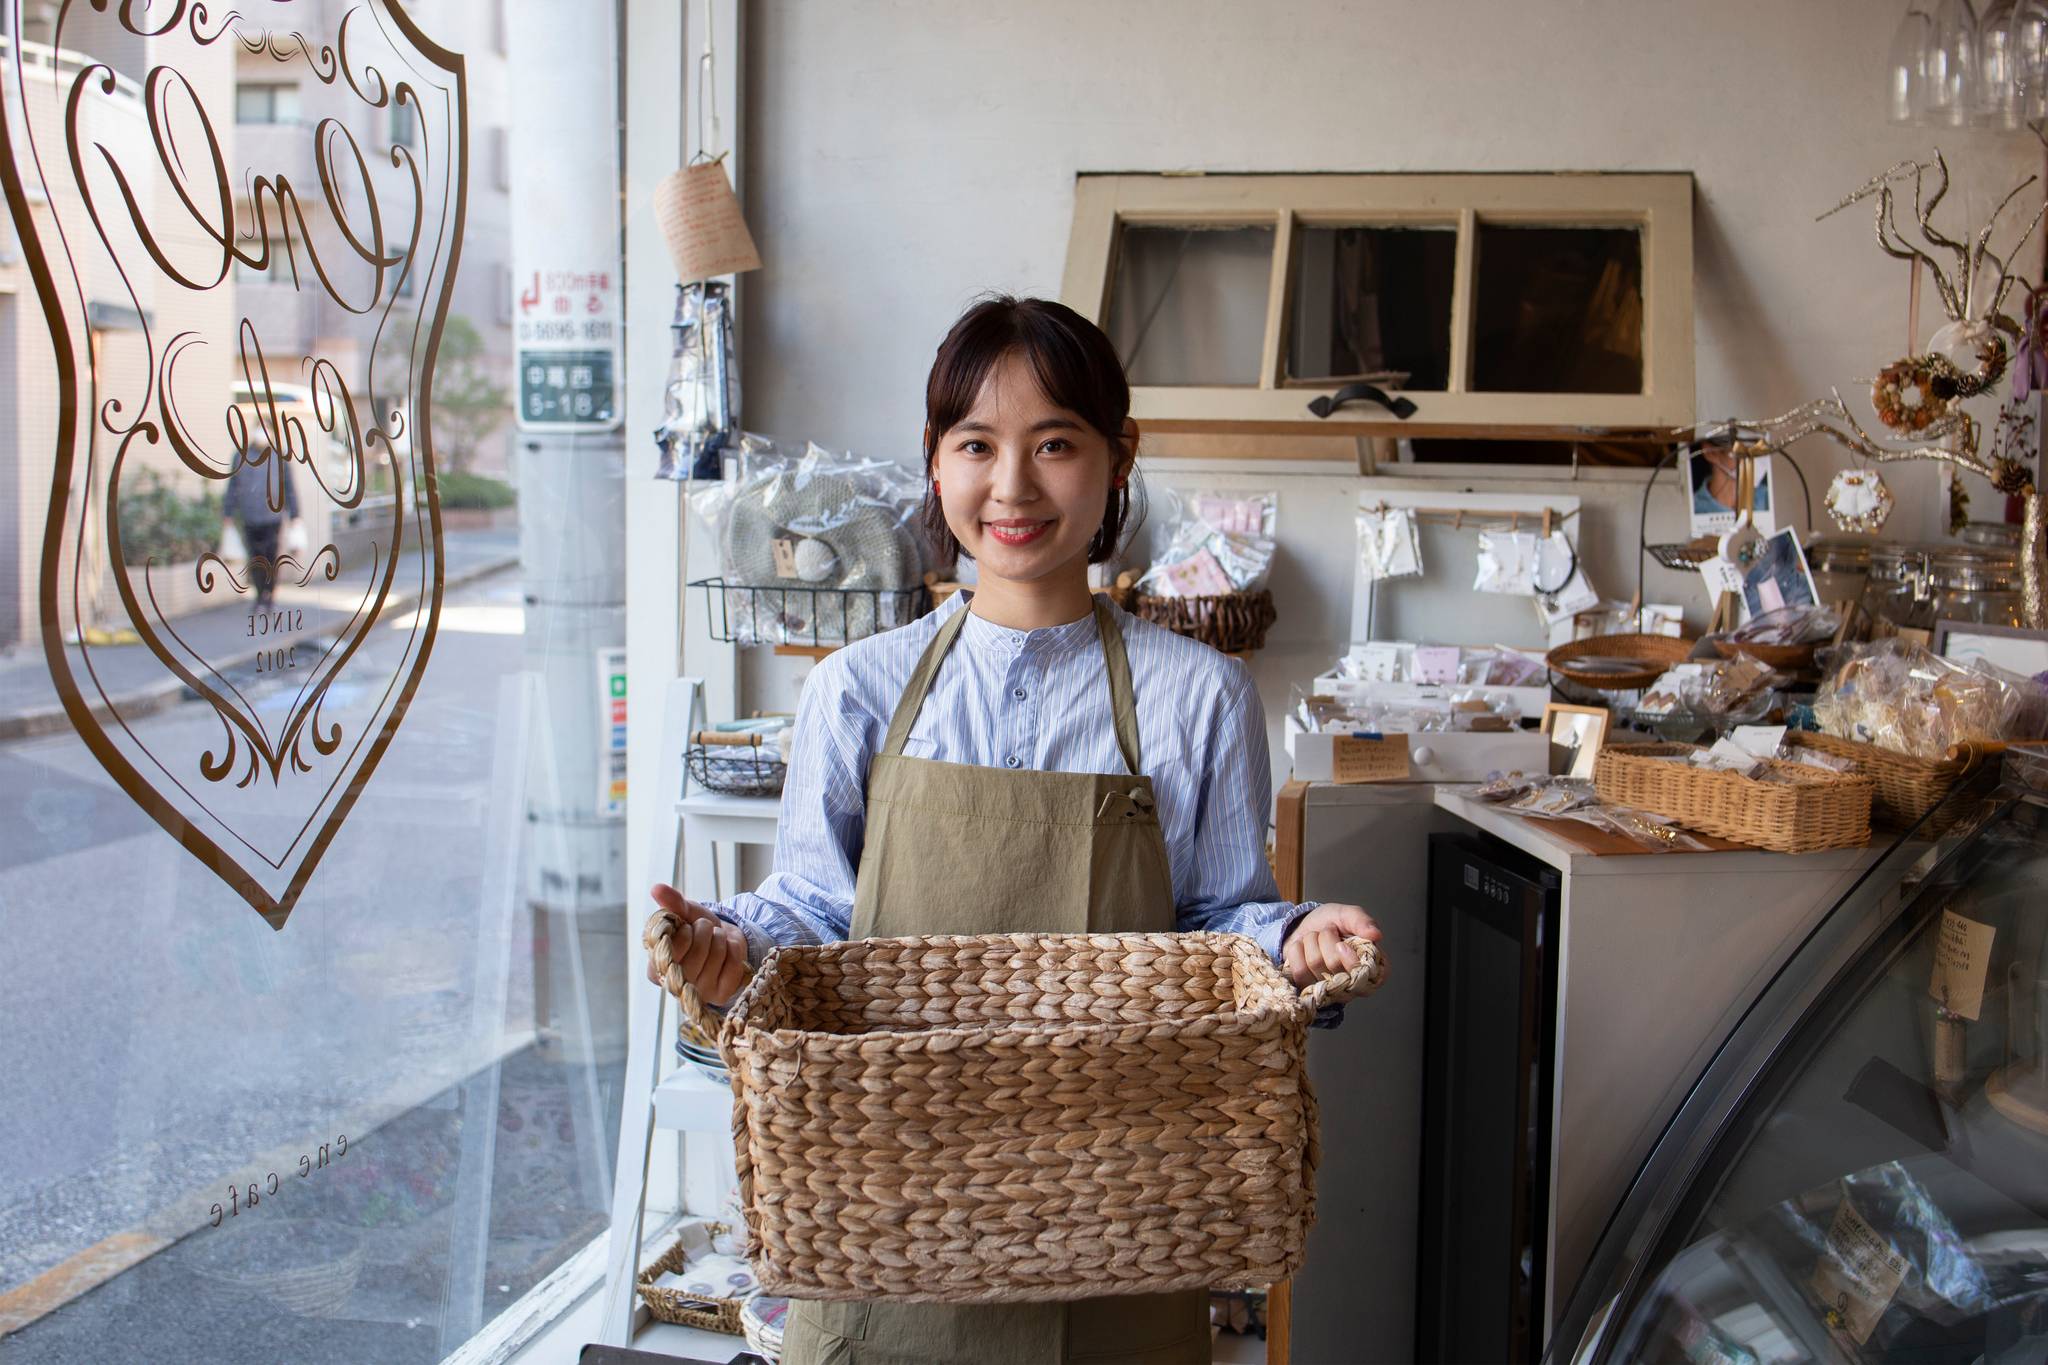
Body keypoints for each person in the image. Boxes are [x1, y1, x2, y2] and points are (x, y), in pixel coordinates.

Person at [646, 296, 1383, 1365]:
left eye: (1054, 444)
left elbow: (1222, 922)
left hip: (1118, 1222)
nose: (1012, 487)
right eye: (975, 446)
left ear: (1116, 454)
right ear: (934, 465)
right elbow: (810, 908)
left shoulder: (1199, 696)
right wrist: (726, 946)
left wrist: (1297, 937)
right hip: (878, 1226)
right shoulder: (856, 689)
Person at [222, 435, 301, 607]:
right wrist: (228, 512)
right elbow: (233, 485)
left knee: (271, 555)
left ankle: (270, 593)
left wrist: (295, 515)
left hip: (272, 517)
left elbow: (289, 486)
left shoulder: (279, 456)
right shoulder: (241, 456)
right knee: (255, 557)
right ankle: (259, 594)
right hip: (249, 516)